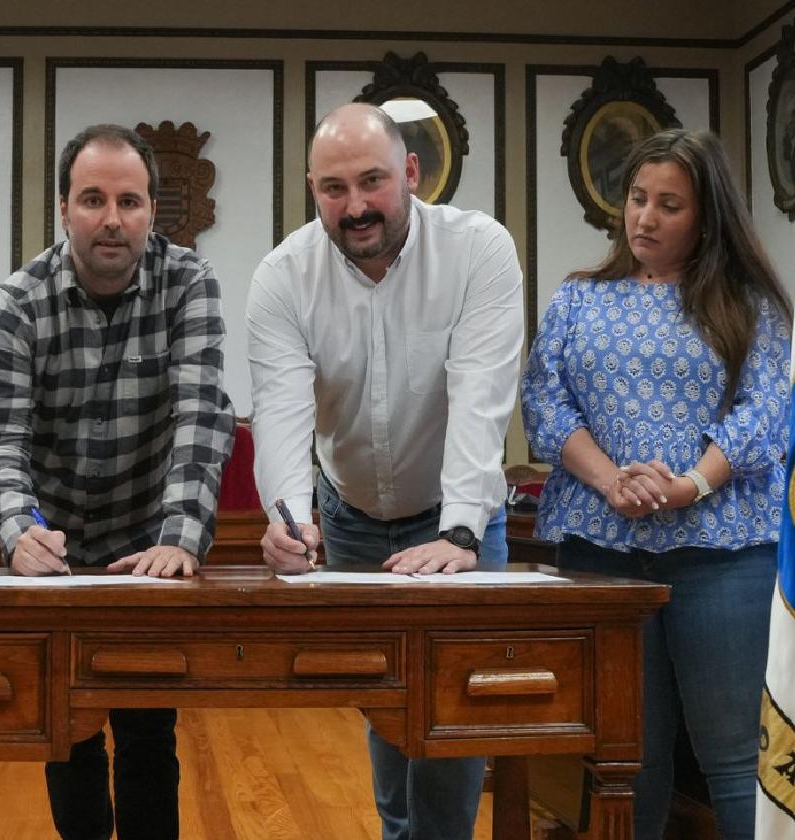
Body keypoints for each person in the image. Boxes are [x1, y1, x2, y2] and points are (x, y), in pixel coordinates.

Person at [246, 102, 523, 840]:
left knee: (450, 715)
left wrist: (462, 531)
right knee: (389, 703)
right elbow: (279, 411)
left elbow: (480, 398)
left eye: (373, 181)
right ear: (313, 190)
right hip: (351, 515)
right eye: (334, 189)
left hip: (453, 512)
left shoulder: (479, 251)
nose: (356, 206)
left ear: (411, 173)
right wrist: (287, 523)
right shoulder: (282, 277)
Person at [0, 123, 235, 840]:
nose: (112, 219)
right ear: (63, 209)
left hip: (147, 550)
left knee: (149, 736)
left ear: (152, 211)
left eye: (129, 201)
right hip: (54, 552)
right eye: (92, 199)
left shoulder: (188, 283)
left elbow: (202, 414)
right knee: (70, 736)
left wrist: (180, 538)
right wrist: (19, 530)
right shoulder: (18, 301)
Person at [522, 128, 791, 840]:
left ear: (706, 217)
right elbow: (546, 403)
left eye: (669, 205)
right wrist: (613, 481)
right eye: (638, 199)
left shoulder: (749, 305)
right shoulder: (580, 301)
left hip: (722, 554)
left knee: (733, 759)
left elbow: (765, 413)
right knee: (624, 762)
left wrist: (689, 486)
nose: (644, 217)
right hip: (603, 555)